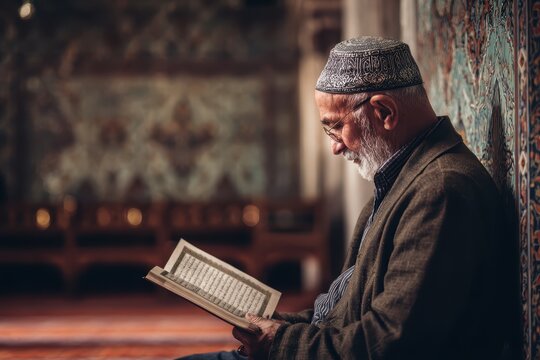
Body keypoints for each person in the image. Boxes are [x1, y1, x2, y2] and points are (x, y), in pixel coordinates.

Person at [180, 36, 510, 359]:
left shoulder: (440, 191)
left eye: (335, 127)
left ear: (384, 112)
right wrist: (281, 325)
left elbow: (390, 342)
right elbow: (344, 312)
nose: (335, 146)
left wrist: (283, 343)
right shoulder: (401, 182)